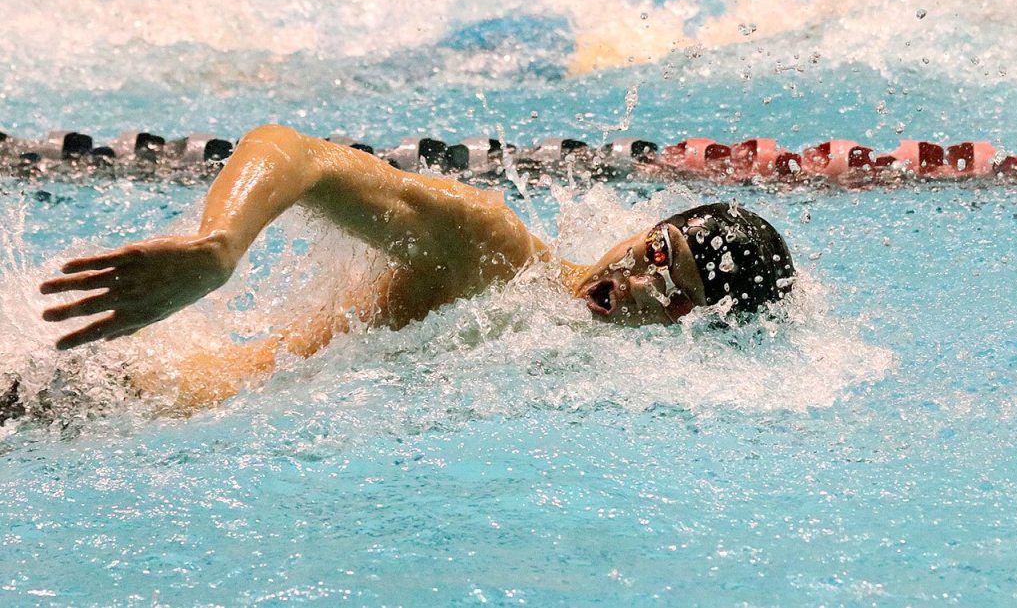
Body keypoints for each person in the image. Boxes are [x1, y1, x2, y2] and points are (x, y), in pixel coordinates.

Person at [38, 125, 796, 407]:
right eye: (656, 253)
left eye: (670, 296)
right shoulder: (491, 253)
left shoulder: (597, 379)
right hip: (100, 398)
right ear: (647, 227)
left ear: (690, 331)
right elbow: (294, 152)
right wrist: (218, 251)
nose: (636, 280)